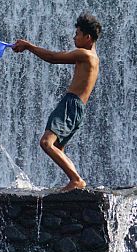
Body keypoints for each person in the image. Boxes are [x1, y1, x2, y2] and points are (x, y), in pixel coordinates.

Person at [12, 13, 102, 191]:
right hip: (77, 108)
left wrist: (29, 46)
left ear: (88, 37)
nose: (74, 37)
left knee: (46, 143)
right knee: (57, 147)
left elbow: (53, 58)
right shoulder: (92, 58)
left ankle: (76, 180)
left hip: (71, 104)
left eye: (77, 33)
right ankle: (75, 181)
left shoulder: (85, 54)